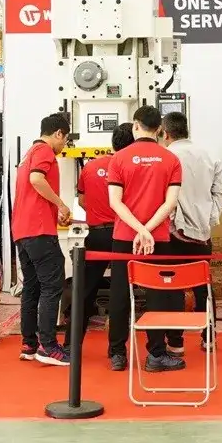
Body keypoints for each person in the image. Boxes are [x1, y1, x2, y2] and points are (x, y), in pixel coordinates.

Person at [106, 105, 185, 373]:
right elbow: (170, 203)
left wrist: (137, 229)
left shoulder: (118, 159)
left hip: (124, 237)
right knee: (157, 297)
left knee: (119, 296)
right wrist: (148, 230)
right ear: (160, 130)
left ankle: (117, 354)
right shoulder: (171, 160)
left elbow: (115, 202)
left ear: (135, 126)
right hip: (158, 238)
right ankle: (156, 355)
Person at [159, 111, 222, 355]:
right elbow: (221, 192)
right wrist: (209, 218)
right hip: (202, 234)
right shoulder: (209, 155)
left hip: (172, 234)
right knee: (203, 287)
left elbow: (160, 195)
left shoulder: (166, 156)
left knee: (172, 287)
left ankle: (176, 342)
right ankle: (208, 337)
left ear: (165, 133)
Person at [12, 112, 73, 366]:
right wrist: (61, 205)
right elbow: (37, 179)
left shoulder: (28, 154)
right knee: (53, 284)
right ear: (58, 133)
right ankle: (48, 347)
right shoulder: (44, 151)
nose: (64, 146)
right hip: (38, 231)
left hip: (22, 231)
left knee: (33, 287)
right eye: (65, 140)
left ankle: (29, 343)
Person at [73, 122, 133, 349]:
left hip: (96, 236)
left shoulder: (90, 167)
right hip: (122, 236)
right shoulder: (129, 169)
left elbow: (81, 200)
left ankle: (71, 345)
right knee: (121, 292)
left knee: (85, 290)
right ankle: (116, 351)